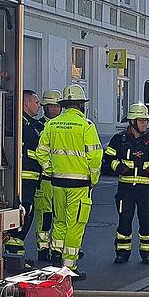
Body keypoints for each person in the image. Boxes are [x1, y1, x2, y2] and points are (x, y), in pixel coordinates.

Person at [35, 83, 103, 279]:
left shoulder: (52, 125)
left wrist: (51, 170)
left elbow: (41, 153)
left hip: (57, 183)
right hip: (79, 185)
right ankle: (69, 267)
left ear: (64, 105)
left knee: (59, 221)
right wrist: (93, 178)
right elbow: (95, 157)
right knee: (75, 225)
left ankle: (56, 258)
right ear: (81, 105)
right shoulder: (86, 126)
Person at [104, 102, 149, 264]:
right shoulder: (119, 139)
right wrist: (118, 167)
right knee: (124, 221)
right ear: (132, 122)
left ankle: (147, 253)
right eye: (141, 120)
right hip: (125, 189)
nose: (145, 123)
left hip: (146, 189)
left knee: (146, 222)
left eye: (146, 120)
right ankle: (122, 253)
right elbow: (109, 157)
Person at [34, 90, 61, 263]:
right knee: (45, 216)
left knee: (61, 216)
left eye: (57, 106)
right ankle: (43, 249)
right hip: (44, 178)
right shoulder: (38, 127)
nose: (55, 109)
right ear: (45, 107)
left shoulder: (62, 126)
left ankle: (58, 249)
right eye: (51, 106)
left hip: (61, 179)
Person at [20, 89, 43, 249]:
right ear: (26, 104)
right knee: (25, 213)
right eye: (36, 103)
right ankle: (15, 250)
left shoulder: (31, 124)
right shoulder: (23, 124)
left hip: (30, 178)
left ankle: (16, 250)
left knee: (27, 213)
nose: (39, 106)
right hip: (25, 177)